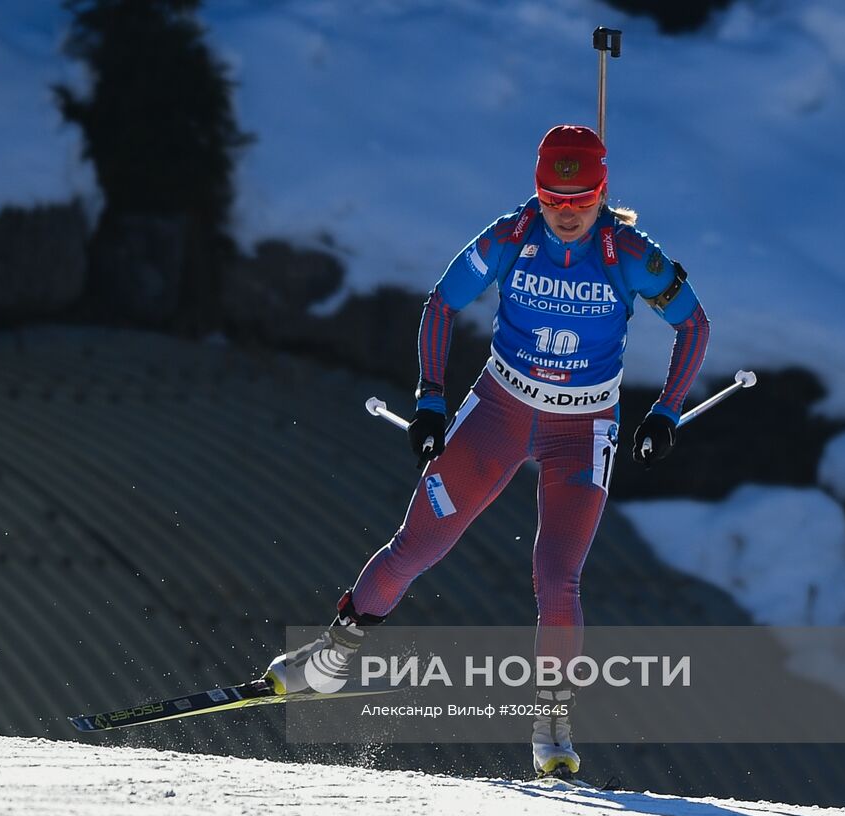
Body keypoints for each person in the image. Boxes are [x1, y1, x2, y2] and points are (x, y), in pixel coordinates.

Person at [263, 125, 711, 778]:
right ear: (536, 193)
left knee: (558, 578)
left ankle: (551, 720)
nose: (565, 215)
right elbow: (442, 303)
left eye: (580, 201)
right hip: (503, 408)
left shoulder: (630, 253)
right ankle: (329, 659)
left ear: (602, 192)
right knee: (416, 546)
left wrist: (666, 411)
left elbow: (694, 324)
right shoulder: (511, 235)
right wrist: (431, 398)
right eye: (552, 200)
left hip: (583, 429)